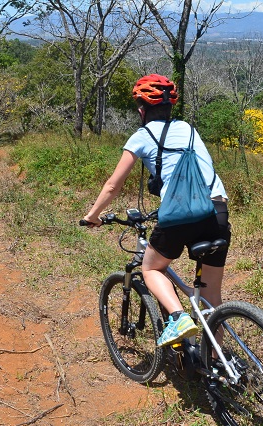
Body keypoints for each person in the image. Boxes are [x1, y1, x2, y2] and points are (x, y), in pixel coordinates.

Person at [82, 74, 231, 348]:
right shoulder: (189, 129)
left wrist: (92, 216)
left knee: (151, 268)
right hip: (217, 211)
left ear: (142, 110)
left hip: (180, 216)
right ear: (170, 107)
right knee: (212, 298)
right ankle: (217, 364)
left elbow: (113, 186)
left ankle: (177, 317)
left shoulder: (142, 136)